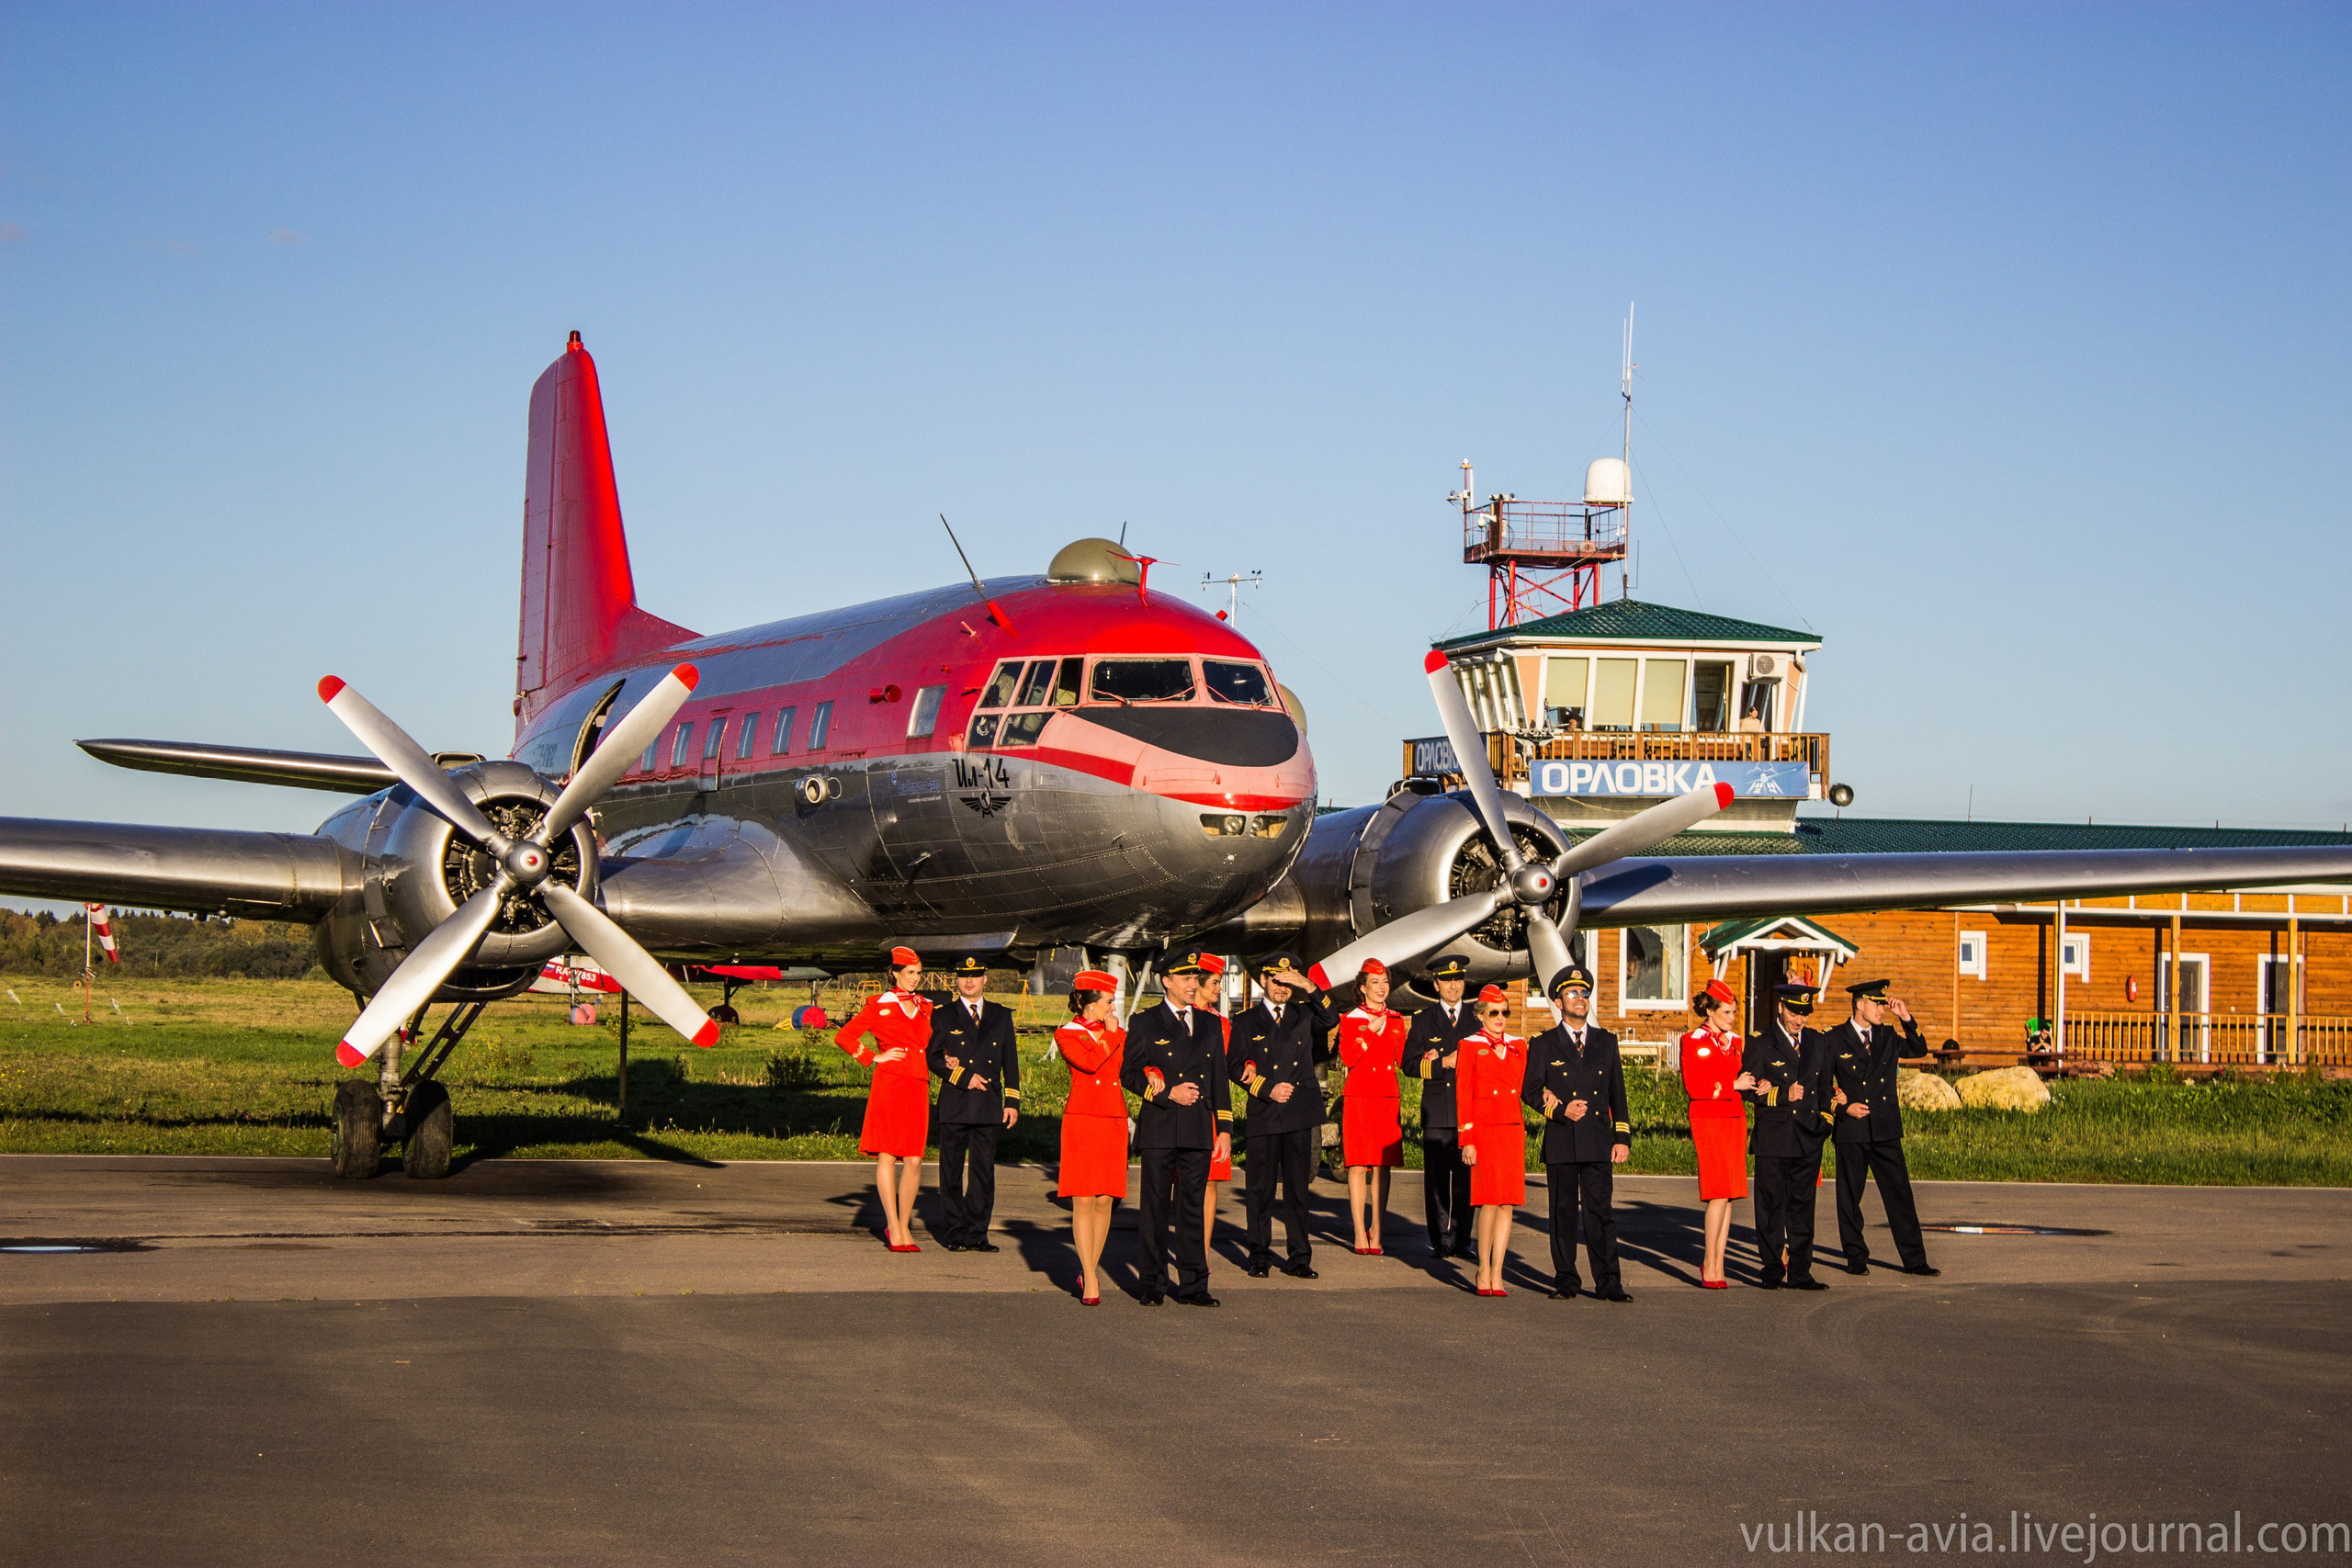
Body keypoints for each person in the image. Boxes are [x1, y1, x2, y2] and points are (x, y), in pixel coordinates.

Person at [1118, 950, 1233, 1306]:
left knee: (1192, 1209)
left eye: (1195, 979)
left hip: (1199, 1127)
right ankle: (1152, 1283)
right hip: (1161, 1126)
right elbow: (1130, 1074)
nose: (1192, 985)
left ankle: (1194, 1285)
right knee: (1154, 1208)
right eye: (1185, 979)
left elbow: (1219, 1080)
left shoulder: (1210, 1023)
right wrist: (1167, 1092)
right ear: (1166, 981)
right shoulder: (1145, 1022)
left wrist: (1225, 1129)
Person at [1522, 964, 1633, 1303]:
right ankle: (1566, 1279)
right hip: (1562, 1139)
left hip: (1598, 1140)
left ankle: (1609, 1282)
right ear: (1559, 1001)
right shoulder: (1544, 1044)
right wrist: (1559, 1110)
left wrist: (1622, 1137)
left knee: (1601, 1214)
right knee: (1563, 1213)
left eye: (1584, 993)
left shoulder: (1605, 1041)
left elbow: (1618, 1095)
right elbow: (1530, 1091)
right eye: (1573, 994)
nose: (1580, 999)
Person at [1227, 951, 1333, 1279]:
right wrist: (1265, 1088)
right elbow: (1234, 1065)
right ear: (1263, 981)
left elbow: (1331, 1020)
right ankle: (1259, 1253)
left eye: (1287, 982)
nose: (1281, 988)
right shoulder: (1246, 1021)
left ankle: (1299, 1257)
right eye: (1276, 979)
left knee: (1298, 1190)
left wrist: (1308, 985)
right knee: (1260, 1189)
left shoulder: (1304, 1014)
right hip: (1266, 1110)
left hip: (1300, 1111)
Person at [1829, 978, 1940, 1278]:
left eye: (1883, 1003)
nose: (1882, 1009)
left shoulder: (1888, 1035)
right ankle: (1855, 1257)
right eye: (1877, 1004)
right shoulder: (1835, 1038)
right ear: (1859, 1004)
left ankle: (1915, 1260)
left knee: (1900, 1195)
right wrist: (1842, 1106)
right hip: (1852, 1128)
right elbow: (1820, 1083)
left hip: (1885, 1128)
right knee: (1849, 1197)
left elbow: (1919, 1049)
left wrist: (1905, 1017)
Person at [833, 946, 934, 1252]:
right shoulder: (879, 1004)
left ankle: (904, 1225)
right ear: (895, 973)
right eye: (910, 973)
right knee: (888, 1155)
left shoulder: (926, 1005)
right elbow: (844, 1036)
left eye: (918, 973)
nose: (915, 978)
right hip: (890, 1083)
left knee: (915, 1160)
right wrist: (873, 1057)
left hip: (917, 1084)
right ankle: (893, 1226)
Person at [1741, 981, 1836, 1290]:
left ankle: (1800, 1271)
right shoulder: (1761, 1042)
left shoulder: (1817, 1041)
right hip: (1775, 1135)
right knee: (1770, 1206)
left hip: (1808, 1136)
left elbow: (1825, 1088)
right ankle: (1771, 1267)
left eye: (1805, 1014)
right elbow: (1749, 1090)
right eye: (1795, 1012)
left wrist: (1825, 1122)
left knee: (1802, 1208)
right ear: (1781, 1007)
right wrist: (1782, 1095)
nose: (1800, 1020)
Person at [927, 954, 1021, 1254]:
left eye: (976, 975)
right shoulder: (943, 1015)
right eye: (963, 976)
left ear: (985, 979)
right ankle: (954, 1233)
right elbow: (931, 1057)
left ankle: (978, 1233)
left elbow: (1011, 1062)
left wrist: (1012, 1101)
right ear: (956, 980)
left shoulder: (1000, 1015)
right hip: (956, 1100)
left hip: (988, 1103)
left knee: (983, 1173)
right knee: (951, 1172)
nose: (969, 981)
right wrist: (961, 1076)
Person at [1054, 970, 1128, 1306]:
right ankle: (1091, 1275)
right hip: (1083, 1120)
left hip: (1112, 1119)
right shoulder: (1067, 1033)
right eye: (1109, 1002)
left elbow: (1131, 1068)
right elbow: (1088, 1064)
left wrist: (1153, 1073)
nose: (1113, 1008)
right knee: (1082, 1199)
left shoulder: (1116, 1033)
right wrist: (1111, 1038)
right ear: (1089, 1002)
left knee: (1105, 1199)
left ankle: (1091, 1267)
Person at [1455, 984, 1528, 1297]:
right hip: (1483, 1130)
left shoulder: (1518, 1045)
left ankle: (1498, 1271)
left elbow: (1527, 1084)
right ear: (1481, 1015)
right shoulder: (1469, 1045)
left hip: (1510, 1127)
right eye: (1494, 1013)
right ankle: (1483, 1266)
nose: (1500, 1018)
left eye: (1505, 1013)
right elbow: (1463, 1094)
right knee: (1488, 1200)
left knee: (1507, 1201)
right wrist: (1466, 1138)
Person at [1405, 953, 1479, 1260]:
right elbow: (1408, 1064)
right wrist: (1443, 1065)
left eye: (1458, 980)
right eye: (1447, 981)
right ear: (1436, 985)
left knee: (1465, 1181)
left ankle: (1462, 1239)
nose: (1454, 986)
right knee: (1436, 1181)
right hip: (1436, 1111)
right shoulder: (1423, 1020)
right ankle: (1440, 1240)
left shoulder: (1476, 1019)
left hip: (1467, 1112)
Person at [1679, 977, 1749, 1289]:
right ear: (1709, 1010)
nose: (1731, 1018)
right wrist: (1733, 1085)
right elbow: (1695, 1088)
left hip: (1734, 1117)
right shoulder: (1693, 1040)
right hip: (1708, 1118)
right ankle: (1709, 1263)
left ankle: (1718, 1262)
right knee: (1717, 1191)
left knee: (1731, 1193)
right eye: (1726, 1012)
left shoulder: (1735, 1042)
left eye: (1734, 1012)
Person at [1337, 958, 1408, 1254]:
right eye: (1375, 983)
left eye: (1385, 982)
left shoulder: (1396, 1020)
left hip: (1386, 1099)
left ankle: (1377, 1229)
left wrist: (1429, 1055)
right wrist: (1369, 1031)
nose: (1381, 988)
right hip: (1359, 1098)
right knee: (1357, 1167)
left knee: (1382, 1168)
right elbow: (1348, 1058)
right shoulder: (1350, 1019)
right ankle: (1358, 1230)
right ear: (1362, 988)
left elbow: (1404, 1059)